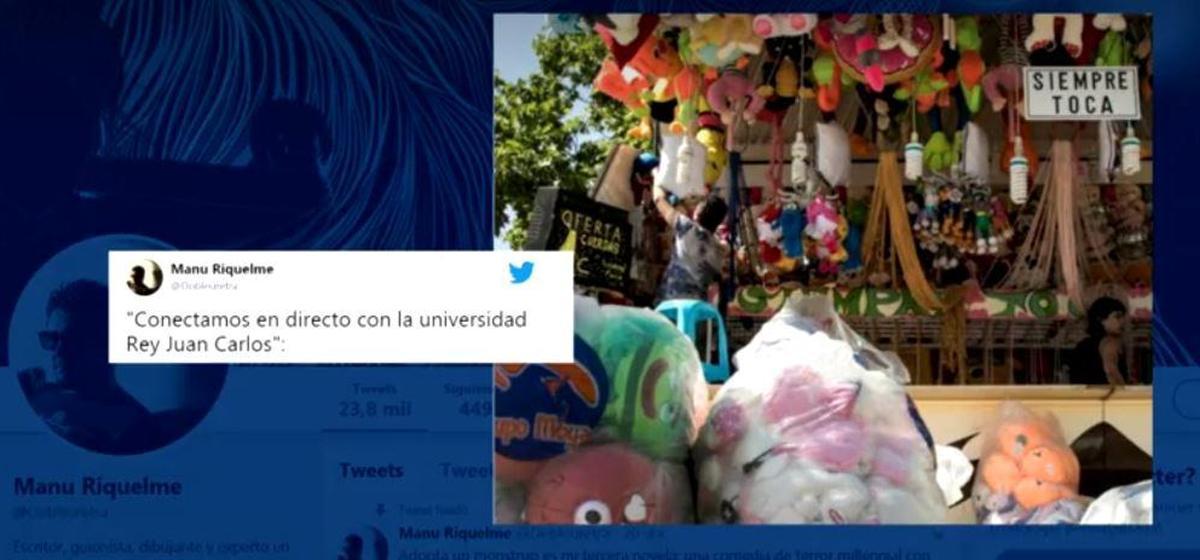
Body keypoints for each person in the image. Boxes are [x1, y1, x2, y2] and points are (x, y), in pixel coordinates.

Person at [17, 280, 159, 453]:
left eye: (75, 339)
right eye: (51, 338)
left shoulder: (138, 430)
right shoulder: (42, 405)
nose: (58, 351)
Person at [652, 185, 729, 303]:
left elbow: (659, 201)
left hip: (670, 300)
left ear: (698, 212)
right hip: (696, 306)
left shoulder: (687, 228)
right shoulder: (719, 251)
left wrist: (657, 182)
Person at [1068, 297, 1129, 386]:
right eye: (1117, 317)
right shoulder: (1109, 343)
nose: (1122, 321)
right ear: (1101, 319)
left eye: (1123, 317)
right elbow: (1112, 373)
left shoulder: (1083, 345)